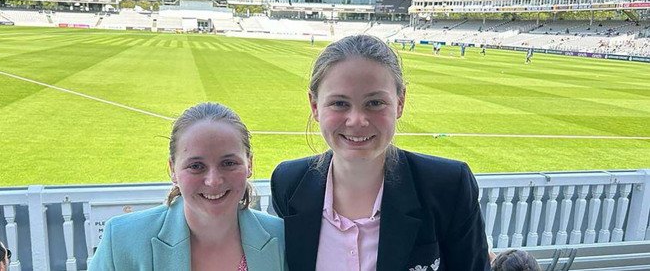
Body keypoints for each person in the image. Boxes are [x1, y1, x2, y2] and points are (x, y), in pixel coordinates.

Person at [271, 35, 490, 271]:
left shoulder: (448, 186)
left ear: (400, 103)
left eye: (375, 103)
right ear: (315, 106)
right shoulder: (288, 182)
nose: (357, 121)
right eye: (339, 103)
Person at [90, 103, 286, 271]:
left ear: (249, 164)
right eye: (196, 166)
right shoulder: (122, 239)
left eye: (228, 163)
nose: (213, 181)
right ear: (172, 169)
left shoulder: (283, 238)